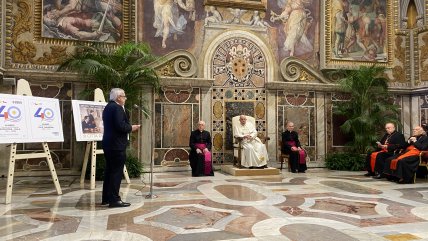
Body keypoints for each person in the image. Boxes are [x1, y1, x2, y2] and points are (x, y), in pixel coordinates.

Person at [101, 88, 140, 208]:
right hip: (116, 145)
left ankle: (107, 198)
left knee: (110, 171)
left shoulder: (108, 107)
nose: (125, 98)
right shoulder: (117, 108)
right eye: (124, 96)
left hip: (108, 143)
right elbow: (120, 126)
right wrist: (131, 128)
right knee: (116, 173)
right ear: (118, 97)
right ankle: (114, 200)